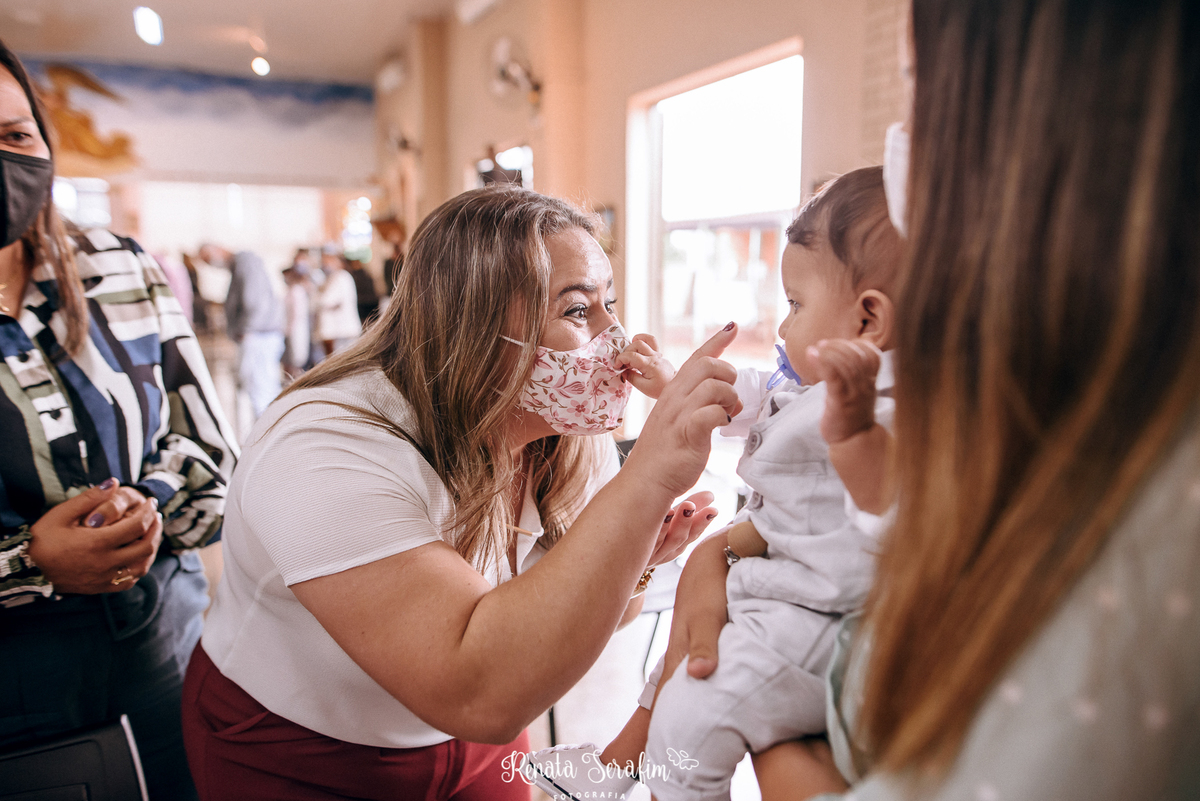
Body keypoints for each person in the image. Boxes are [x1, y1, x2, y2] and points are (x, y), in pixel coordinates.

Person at [669, 1, 1200, 799]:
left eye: (918, 92)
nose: (903, 143)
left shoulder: (1146, 509)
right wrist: (719, 550)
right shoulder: (1016, 400)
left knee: (688, 719)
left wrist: (789, 766)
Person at [180, 186, 743, 799]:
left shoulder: (567, 434)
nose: (621, 341)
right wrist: (649, 477)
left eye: (609, 304)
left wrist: (640, 557)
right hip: (299, 749)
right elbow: (478, 691)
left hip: (480, 736)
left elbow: (574, 627)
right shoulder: (323, 445)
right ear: (471, 320)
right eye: (579, 312)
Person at [523, 168, 905, 801]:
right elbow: (740, 395)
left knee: (693, 717)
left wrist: (856, 429)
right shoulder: (806, 382)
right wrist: (674, 381)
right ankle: (615, 769)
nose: (782, 329)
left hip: (815, 616)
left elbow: (888, 502)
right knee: (672, 665)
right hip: (765, 585)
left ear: (868, 319)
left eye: (796, 306)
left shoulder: (891, 406)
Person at [0, 40, 237, 800]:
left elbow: (206, 445)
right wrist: (29, 560)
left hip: (166, 635)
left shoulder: (116, 266)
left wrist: (149, 501)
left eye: (14, 137)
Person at [200, 243, 285, 422]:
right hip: (258, 333)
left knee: (260, 389)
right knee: (259, 388)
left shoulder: (246, 263)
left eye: (208, 260)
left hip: (258, 335)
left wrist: (247, 329)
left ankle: (268, 433)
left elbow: (254, 300)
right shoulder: (239, 265)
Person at [315, 248, 362, 356]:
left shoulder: (340, 277)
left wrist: (316, 297)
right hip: (339, 332)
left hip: (341, 331)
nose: (325, 263)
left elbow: (326, 300)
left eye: (328, 260)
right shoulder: (332, 277)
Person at [281, 258, 312, 380]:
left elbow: (296, 313)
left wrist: (289, 329)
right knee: (289, 359)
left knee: (295, 360)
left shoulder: (297, 291)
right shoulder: (290, 291)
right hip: (289, 329)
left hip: (295, 330)